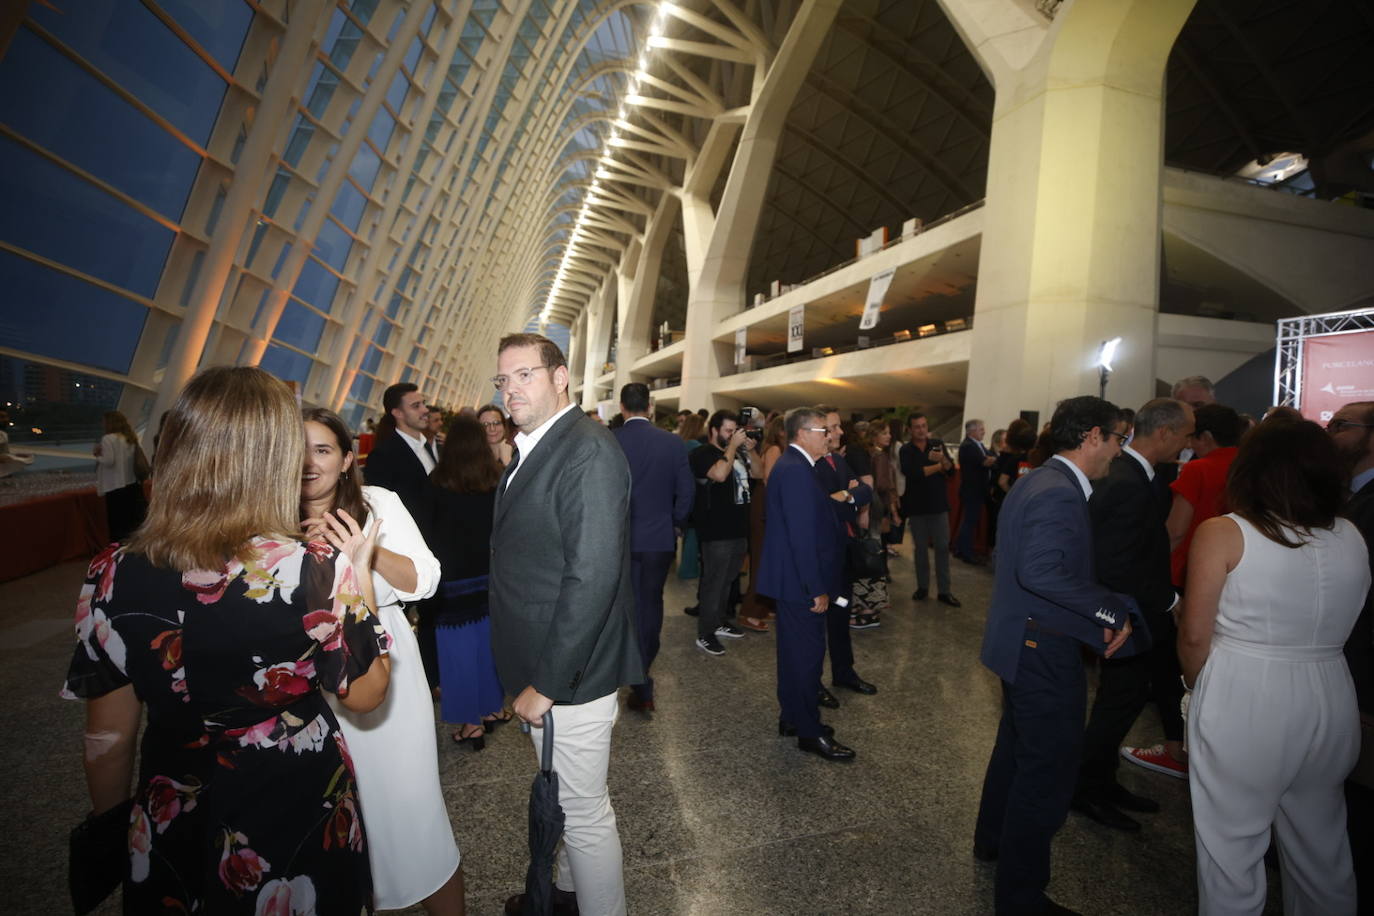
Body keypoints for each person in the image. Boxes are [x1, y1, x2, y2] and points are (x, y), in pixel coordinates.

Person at [62, 366, 391, 915]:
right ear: (275, 457)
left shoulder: (111, 571)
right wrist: (356, 578)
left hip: (172, 799)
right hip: (293, 798)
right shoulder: (309, 569)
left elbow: (107, 742)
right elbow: (366, 693)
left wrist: (114, 826)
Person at [1179, 418, 1369, 915]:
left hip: (1247, 688)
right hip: (1331, 689)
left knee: (1231, 849)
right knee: (1321, 843)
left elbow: (1195, 635)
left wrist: (1198, 690)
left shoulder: (1225, 532)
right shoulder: (1350, 534)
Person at [487, 333, 643, 916]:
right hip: (548, 663)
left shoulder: (586, 450)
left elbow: (592, 577)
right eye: (504, 380)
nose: (511, 391)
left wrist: (547, 681)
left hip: (570, 674)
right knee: (569, 805)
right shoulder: (541, 444)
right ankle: (573, 899)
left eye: (524, 375)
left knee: (582, 813)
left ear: (561, 378)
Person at [973, 396, 1141, 916]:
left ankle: (993, 840)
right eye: (1118, 439)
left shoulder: (1039, 479)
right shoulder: (1058, 492)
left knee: (1017, 748)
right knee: (1046, 771)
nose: (1119, 450)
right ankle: (1021, 898)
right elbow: (1040, 572)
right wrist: (1111, 612)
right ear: (1093, 436)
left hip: (1021, 638)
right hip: (1041, 646)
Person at [299, 408, 462, 913]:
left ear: (348, 458)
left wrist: (361, 553)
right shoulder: (266, 513)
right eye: (299, 449)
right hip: (307, 672)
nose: (309, 462)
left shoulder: (376, 503)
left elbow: (426, 580)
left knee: (407, 805)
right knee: (330, 811)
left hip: (383, 654)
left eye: (323, 450)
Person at [1072, 398, 1194, 834]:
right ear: (1164, 432)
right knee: (1118, 700)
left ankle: (1101, 781)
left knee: (1121, 700)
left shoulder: (1137, 474)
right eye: (1184, 434)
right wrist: (1166, 601)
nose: (1187, 442)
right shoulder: (1126, 478)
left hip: (1135, 611)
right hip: (1127, 614)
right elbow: (1118, 562)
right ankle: (1087, 787)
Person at [757, 407, 855, 762]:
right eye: (821, 430)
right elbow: (801, 537)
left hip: (791, 579)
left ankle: (793, 717)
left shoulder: (797, 466)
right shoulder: (797, 470)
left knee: (793, 654)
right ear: (803, 434)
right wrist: (816, 588)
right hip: (801, 582)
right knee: (808, 658)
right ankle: (809, 732)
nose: (828, 436)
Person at [426, 415, 510, 749]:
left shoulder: (437, 480)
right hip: (489, 576)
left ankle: (470, 724)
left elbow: (427, 531)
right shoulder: (496, 478)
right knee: (489, 646)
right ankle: (493, 709)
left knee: (457, 652)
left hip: (452, 581)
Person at [613, 383, 694, 712]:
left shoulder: (611, 440)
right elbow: (686, 491)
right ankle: (642, 674)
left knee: (626, 603)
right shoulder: (672, 442)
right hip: (659, 538)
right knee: (651, 603)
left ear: (622, 407)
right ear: (649, 406)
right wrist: (675, 522)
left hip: (621, 539)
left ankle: (628, 671)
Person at [813, 408, 878, 702]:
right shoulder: (811, 466)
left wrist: (849, 495)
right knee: (816, 624)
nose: (841, 432)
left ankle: (844, 672)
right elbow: (826, 509)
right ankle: (813, 682)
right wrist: (848, 497)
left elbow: (865, 491)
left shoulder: (838, 460)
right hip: (821, 555)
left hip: (843, 551)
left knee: (840, 614)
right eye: (835, 427)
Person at [688, 409, 756, 655]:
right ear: (713, 431)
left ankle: (718, 622)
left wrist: (749, 449)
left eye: (734, 431)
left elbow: (759, 473)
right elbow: (719, 473)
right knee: (713, 583)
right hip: (716, 530)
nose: (732, 435)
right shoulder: (701, 453)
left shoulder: (737, 452)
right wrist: (732, 447)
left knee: (728, 580)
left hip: (738, 527)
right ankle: (705, 633)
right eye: (727, 431)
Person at [899, 413, 959, 606]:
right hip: (916, 507)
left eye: (924, 425)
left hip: (938, 505)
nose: (921, 430)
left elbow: (950, 471)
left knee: (942, 547)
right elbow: (914, 473)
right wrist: (937, 465)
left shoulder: (937, 444)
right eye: (917, 426)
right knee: (921, 550)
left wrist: (942, 461)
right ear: (910, 429)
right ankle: (922, 587)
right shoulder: (906, 450)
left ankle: (944, 590)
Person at [364, 382, 436, 521]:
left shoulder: (426, 445)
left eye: (423, 403)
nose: (425, 409)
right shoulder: (383, 456)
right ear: (397, 413)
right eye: (416, 406)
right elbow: (380, 509)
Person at [94, 411, 146, 541]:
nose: (102, 424)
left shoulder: (108, 439)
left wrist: (97, 455)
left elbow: (109, 461)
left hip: (114, 486)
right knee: (130, 522)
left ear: (109, 423)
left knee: (116, 523)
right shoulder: (128, 438)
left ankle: (116, 552)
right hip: (131, 484)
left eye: (104, 421)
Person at [955, 418, 997, 563]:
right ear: (971, 431)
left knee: (970, 521)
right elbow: (985, 461)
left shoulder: (977, 445)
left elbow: (991, 457)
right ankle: (966, 553)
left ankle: (961, 549)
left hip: (977, 490)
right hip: (972, 490)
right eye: (981, 429)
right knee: (970, 521)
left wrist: (991, 459)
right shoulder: (968, 446)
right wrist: (990, 460)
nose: (984, 431)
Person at [676, 413, 707, 582]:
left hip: (679, 493)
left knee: (687, 533)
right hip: (694, 493)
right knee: (693, 535)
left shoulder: (679, 443)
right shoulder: (696, 446)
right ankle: (688, 569)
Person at [478, 403, 514, 467]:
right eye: (485, 424)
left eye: (497, 423)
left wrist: (508, 463)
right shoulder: (470, 456)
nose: (492, 429)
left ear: (504, 426)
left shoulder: (518, 454)